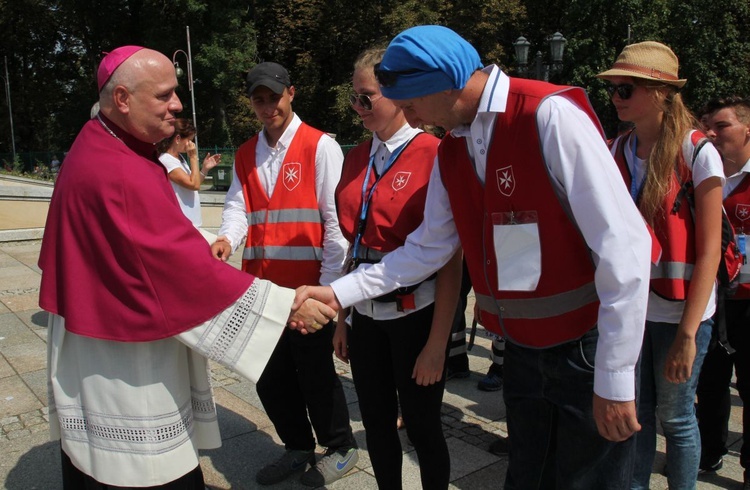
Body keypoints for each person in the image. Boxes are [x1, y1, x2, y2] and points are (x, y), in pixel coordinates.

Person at [294, 25, 651, 489]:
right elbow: (427, 248)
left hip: (583, 345)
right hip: (523, 350)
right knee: (527, 476)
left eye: (410, 101)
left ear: (443, 80)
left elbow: (623, 246)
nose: (409, 115)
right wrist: (338, 292)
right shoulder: (454, 146)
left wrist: (617, 376)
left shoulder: (547, 115)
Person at [38, 45, 334, 489]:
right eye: (164, 95)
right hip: (123, 362)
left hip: (302, 279)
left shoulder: (104, 142)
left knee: (316, 378)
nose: (177, 104)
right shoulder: (120, 170)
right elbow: (172, 267)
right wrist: (284, 306)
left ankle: (336, 444)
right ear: (122, 99)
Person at [210, 61, 358, 487]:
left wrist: (328, 291)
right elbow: (238, 207)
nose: (266, 105)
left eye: (273, 96)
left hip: (306, 288)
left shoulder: (319, 146)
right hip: (259, 289)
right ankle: (296, 446)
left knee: (314, 372)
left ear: (291, 93)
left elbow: (335, 226)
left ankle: (340, 446)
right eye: (258, 98)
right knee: (268, 373)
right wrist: (226, 238)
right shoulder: (246, 152)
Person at [597, 41, 724, 490]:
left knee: (676, 417)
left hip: (680, 314)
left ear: (661, 92)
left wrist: (688, 336)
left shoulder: (695, 151)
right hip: (632, 310)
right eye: (613, 88)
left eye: (625, 88)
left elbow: (709, 249)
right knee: (636, 414)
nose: (615, 97)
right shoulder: (616, 150)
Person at [333, 47, 460, 489]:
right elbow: (353, 243)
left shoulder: (435, 154)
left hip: (415, 318)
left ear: (395, 94)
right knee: (377, 424)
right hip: (366, 316)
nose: (358, 108)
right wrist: (343, 317)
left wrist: (437, 344)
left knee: (424, 428)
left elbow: (450, 262)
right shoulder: (355, 158)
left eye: (366, 98)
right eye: (354, 98)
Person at [696, 95, 750, 488]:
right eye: (707, 125)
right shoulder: (702, 175)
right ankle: (709, 450)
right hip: (712, 298)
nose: (711, 133)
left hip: (748, 300)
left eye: (722, 125)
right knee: (709, 382)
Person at [157, 118, 221, 229]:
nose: (191, 144)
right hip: (181, 224)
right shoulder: (167, 161)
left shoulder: (180, 158)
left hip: (192, 222)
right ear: (177, 139)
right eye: (189, 140)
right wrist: (193, 157)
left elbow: (194, 183)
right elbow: (194, 185)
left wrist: (204, 169)